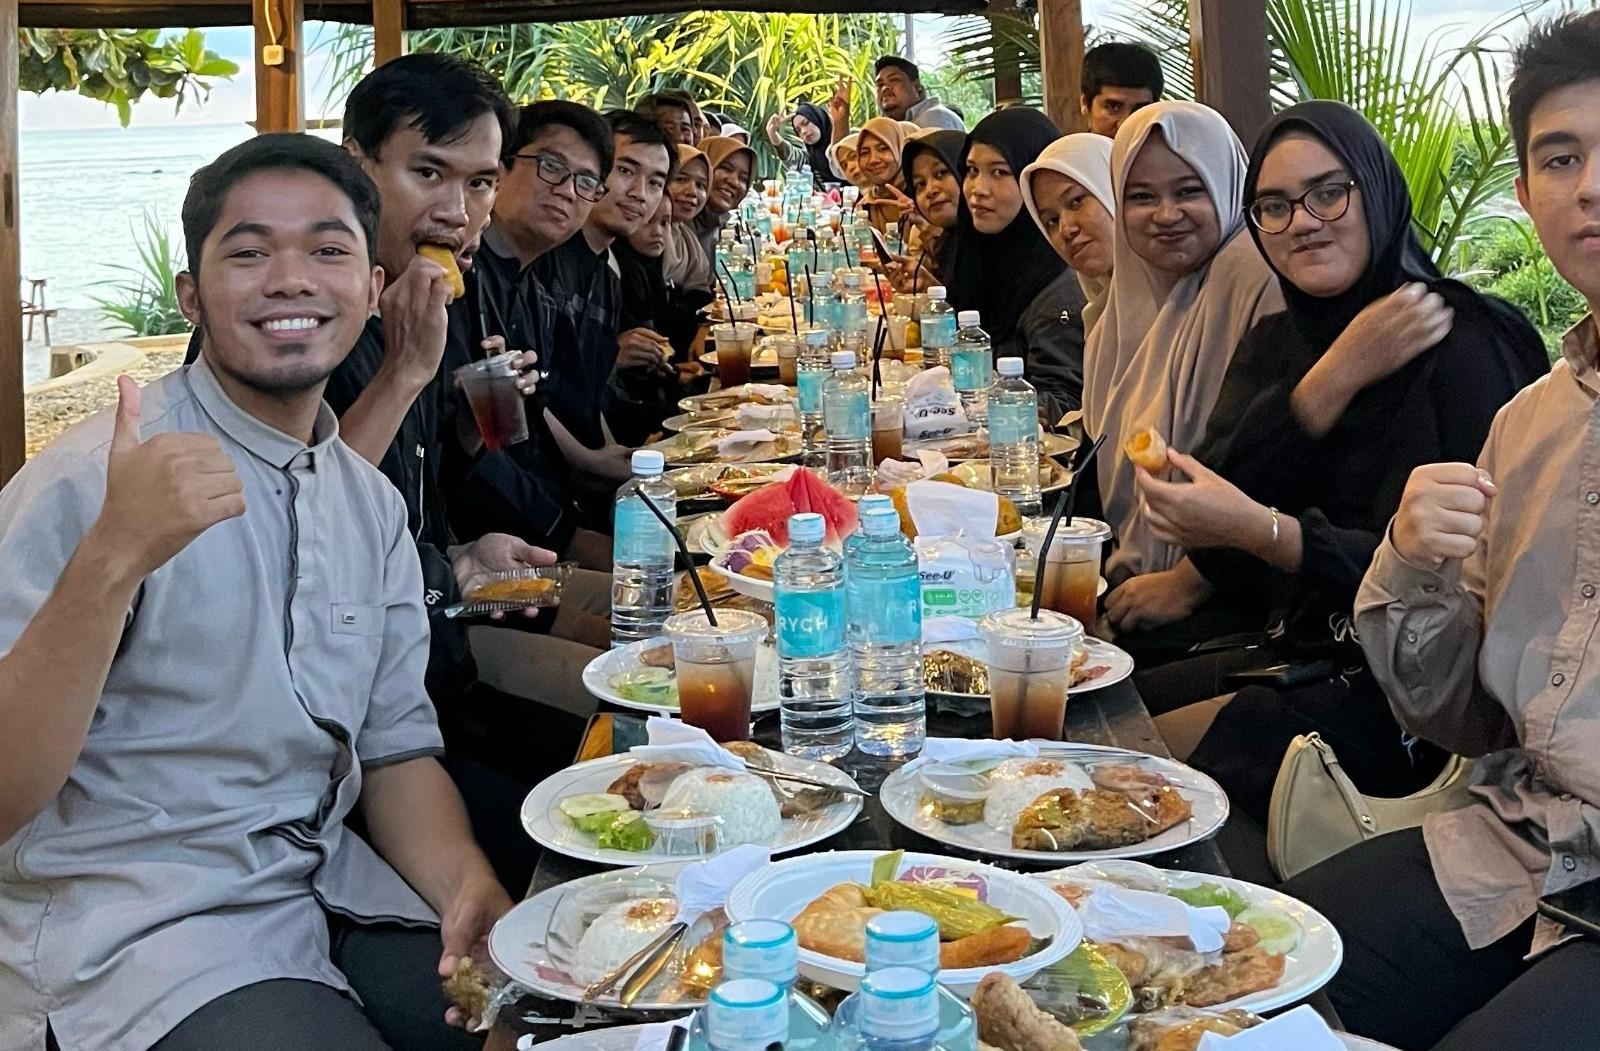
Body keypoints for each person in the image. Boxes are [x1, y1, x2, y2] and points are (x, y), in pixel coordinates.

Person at [0, 133, 510, 1051]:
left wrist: (463, 880)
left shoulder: (366, 503)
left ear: (373, 287)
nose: (290, 279)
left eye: (328, 250)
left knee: (531, 1023)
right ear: (191, 296)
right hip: (138, 931)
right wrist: (113, 557)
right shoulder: (93, 480)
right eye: (248, 252)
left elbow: (394, 749)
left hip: (324, 886)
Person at [1281, 14, 1600, 1050]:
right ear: (1526, 194)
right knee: (1238, 975)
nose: (1591, 186)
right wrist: (1412, 563)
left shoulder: (1464, 341)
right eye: (1562, 157)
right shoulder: (1529, 427)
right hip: (1524, 835)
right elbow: (1460, 718)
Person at [1127, 101, 1547, 826]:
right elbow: (1214, 540)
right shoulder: (1277, 341)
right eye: (1274, 206)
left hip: (1421, 694)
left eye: (1328, 193)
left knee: (1147, 778)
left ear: (1376, 191)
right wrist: (1328, 383)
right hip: (1302, 642)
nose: (1303, 222)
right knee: (1107, 707)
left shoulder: (1465, 342)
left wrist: (1269, 533)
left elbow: (1468, 592)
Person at [1088, 102, 1283, 618]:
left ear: (1227, 184)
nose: (1166, 214)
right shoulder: (1133, 302)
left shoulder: (1256, 277)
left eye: (1189, 191)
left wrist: (1192, 580)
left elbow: (1275, 455)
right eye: (1141, 197)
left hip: (1235, 598)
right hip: (1138, 585)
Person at [535, 110, 675, 487]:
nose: (639, 194)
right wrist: (593, 461)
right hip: (543, 486)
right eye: (625, 170)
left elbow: (589, 396)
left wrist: (613, 454)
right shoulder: (545, 260)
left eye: (655, 183)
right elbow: (531, 400)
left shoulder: (607, 273)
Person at [943, 108, 1087, 422]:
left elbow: (1065, 402)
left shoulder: (1058, 282)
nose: (978, 189)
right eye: (971, 170)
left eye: (999, 172)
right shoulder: (982, 256)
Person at [1022, 133, 1117, 333]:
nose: (1066, 229)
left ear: (1115, 190)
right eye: (1051, 221)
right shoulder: (1099, 318)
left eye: (1076, 201)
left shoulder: (1175, 305)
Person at [885, 128, 965, 290]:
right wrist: (929, 285)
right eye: (920, 184)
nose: (930, 190)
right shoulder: (951, 242)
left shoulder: (995, 243)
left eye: (941, 173)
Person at [828, 57, 965, 138]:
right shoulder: (892, 127)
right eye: (880, 84)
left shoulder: (935, 118)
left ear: (917, 87)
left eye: (894, 80)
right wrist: (841, 121)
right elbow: (843, 167)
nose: (885, 88)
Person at [689, 134, 757, 260]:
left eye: (743, 178)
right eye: (726, 168)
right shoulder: (675, 228)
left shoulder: (721, 226)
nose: (734, 182)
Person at [1081, 41, 1164, 138]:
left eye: (1140, 110)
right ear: (1085, 103)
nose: (1124, 125)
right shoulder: (1066, 148)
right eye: (1113, 107)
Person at [661, 143, 713, 292]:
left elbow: (700, 288)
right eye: (681, 179)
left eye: (701, 185)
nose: (692, 192)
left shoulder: (686, 237)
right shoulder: (641, 233)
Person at [855, 116, 914, 231]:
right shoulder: (866, 206)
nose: (873, 160)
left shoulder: (920, 195)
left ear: (899, 149)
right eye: (864, 153)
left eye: (883, 149)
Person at [765, 101, 834, 185]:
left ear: (818, 119)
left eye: (806, 123)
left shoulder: (845, 141)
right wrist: (772, 134)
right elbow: (792, 158)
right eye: (798, 130)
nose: (803, 131)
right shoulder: (811, 155)